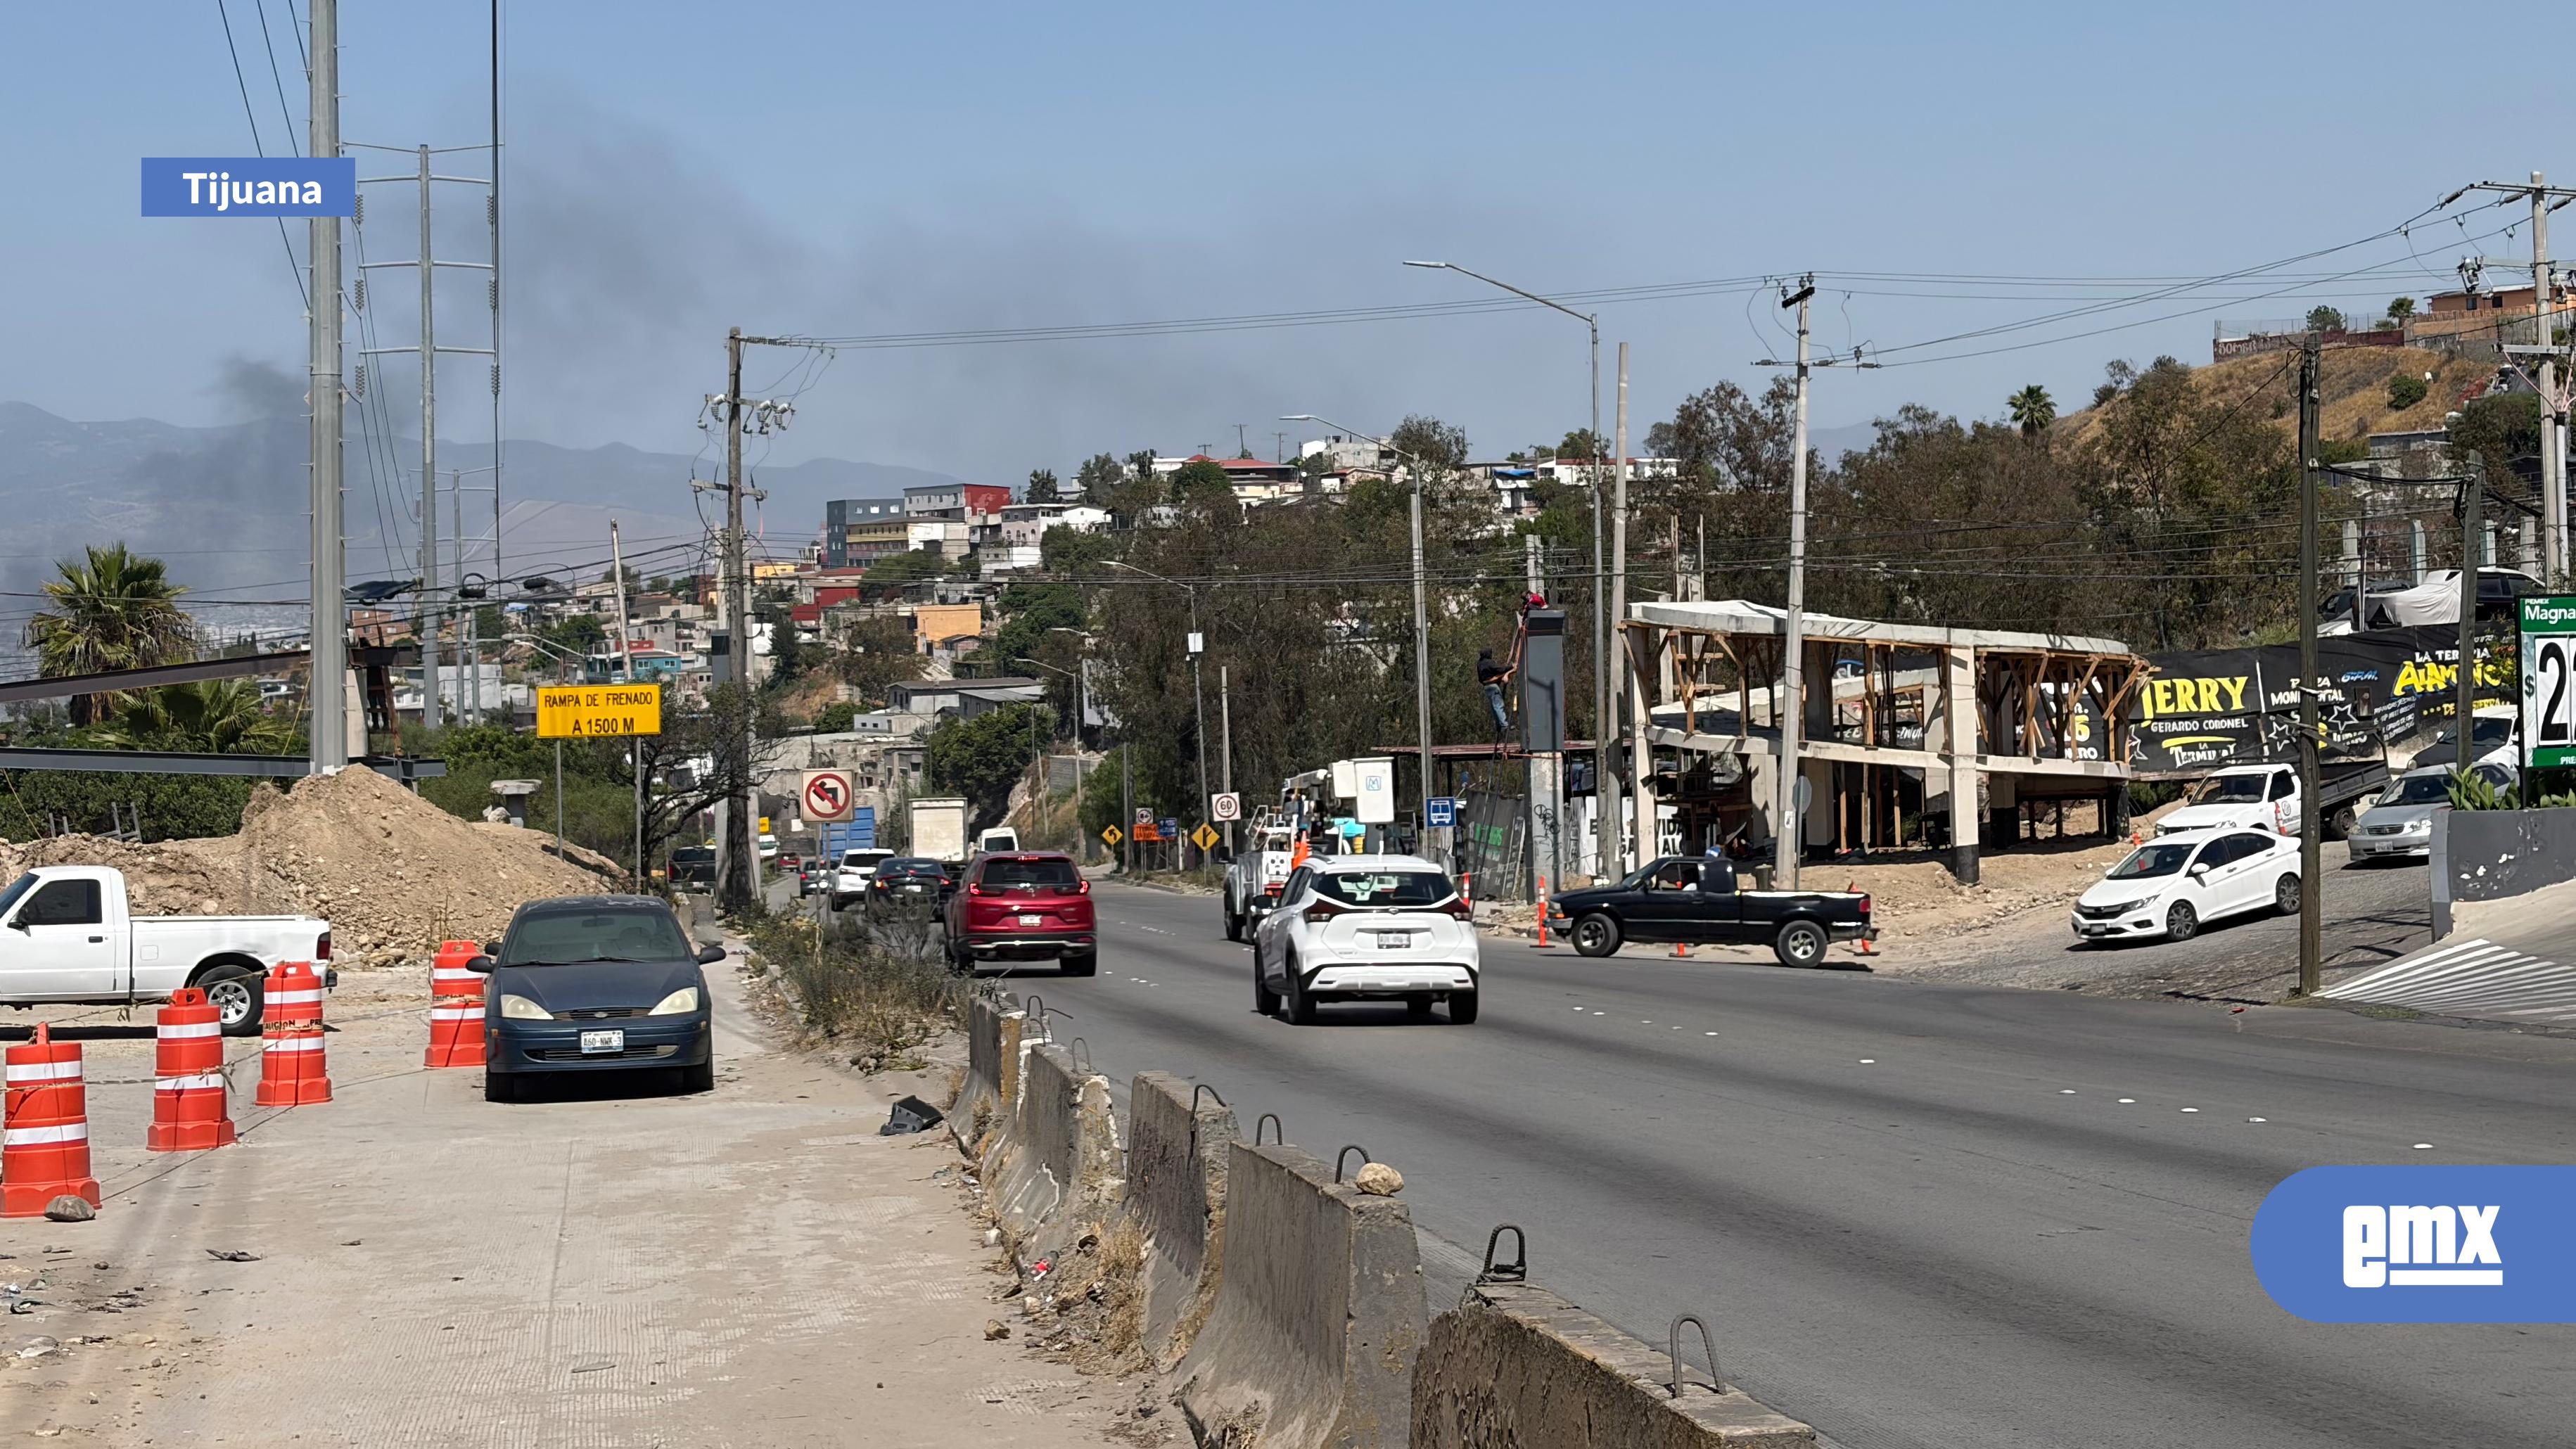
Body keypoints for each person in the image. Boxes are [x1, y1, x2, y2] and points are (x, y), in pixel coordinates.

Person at [1477, 649, 1513, 738]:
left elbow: (1480, 679)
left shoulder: (1479, 663)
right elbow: (1499, 669)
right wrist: (1511, 667)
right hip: (1493, 686)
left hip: (1486, 687)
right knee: (1498, 705)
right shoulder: (1489, 662)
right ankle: (1504, 725)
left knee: (1494, 707)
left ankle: (1499, 726)